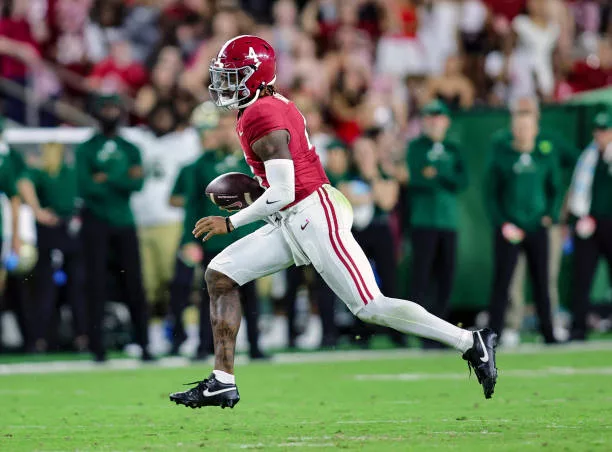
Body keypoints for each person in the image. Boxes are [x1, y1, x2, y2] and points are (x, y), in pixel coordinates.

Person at [169, 35, 498, 409]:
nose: (224, 84)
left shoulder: (263, 113)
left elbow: (282, 190)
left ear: (257, 76)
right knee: (220, 273)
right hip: (292, 216)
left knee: (370, 306)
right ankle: (222, 381)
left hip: (312, 212)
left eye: (233, 75)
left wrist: (231, 222)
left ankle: (471, 342)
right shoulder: (260, 107)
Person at [169, 105, 267, 361]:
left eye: (229, 128)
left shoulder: (252, 163)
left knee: (250, 295)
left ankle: (256, 346)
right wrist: (189, 239)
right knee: (209, 296)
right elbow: (191, 206)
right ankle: (203, 346)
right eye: (220, 127)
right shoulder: (201, 165)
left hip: (246, 238)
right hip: (214, 241)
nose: (225, 133)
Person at [492, 96, 579, 346]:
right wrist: (503, 222)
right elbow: (492, 191)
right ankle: (510, 326)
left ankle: (549, 327)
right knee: (511, 280)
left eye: (528, 115)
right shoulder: (502, 146)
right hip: (511, 225)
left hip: (540, 225)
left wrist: (554, 212)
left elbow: (561, 178)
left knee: (546, 277)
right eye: (519, 115)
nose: (523, 125)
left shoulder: (548, 143)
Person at [76, 94, 152, 362]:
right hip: (96, 222)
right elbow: (85, 186)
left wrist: (105, 176)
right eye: (105, 108)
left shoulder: (131, 148)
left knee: (134, 284)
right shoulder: (85, 148)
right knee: (94, 284)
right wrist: (121, 176)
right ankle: (97, 347)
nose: (110, 113)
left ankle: (144, 344)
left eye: (113, 108)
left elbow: (137, 184)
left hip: (124, 222)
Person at [406, 101, 468, 347]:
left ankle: (440, 331)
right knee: (421, 277)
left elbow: (462, 180)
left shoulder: (454, 148)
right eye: (430, 118)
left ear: (446, 122)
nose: (434, 123)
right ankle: (417, 331)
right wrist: (441, 177)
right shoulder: (416, 147)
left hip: (447, 221)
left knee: (446, 276)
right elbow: (415, 178)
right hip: (424, 220)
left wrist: (437, 173)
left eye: (438, 118)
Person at [18, 142, 87, 352]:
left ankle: (78, 335)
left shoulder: (67, 172)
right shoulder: (42, 173)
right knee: (48, 288)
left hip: (68, 229)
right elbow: (24, 184)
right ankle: (43, 337)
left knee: (72, 287)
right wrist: (38, 211)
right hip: (53, 230)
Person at [566, 110, 612, 341]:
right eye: (598, 130)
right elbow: (577, 191)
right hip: (588, 224)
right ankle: (578, 328)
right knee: (582, 278)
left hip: (610, 224)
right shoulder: (588, 156)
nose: (601, 135)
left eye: (605, 130)